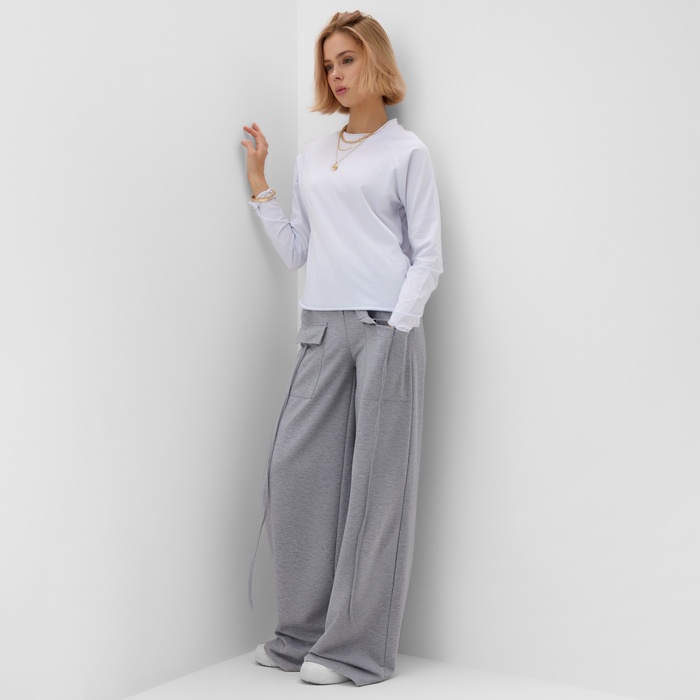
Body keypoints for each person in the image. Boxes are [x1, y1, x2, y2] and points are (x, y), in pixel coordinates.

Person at [240, 10, 442, 686]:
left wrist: (397, 326)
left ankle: (354, 651)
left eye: (347, 59)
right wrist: (262, 183)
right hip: (321, 327)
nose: (335, 74)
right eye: (328, 64)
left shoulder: (406, 152)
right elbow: (299, 250)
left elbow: (428, 256)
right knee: (297, 471)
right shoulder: (311, 156)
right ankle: (300, 635)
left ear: (375, 62)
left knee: (376, 490)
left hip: (386, 326)